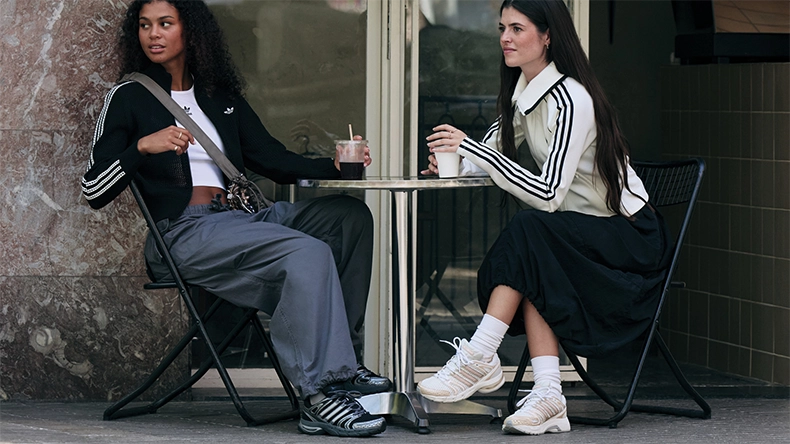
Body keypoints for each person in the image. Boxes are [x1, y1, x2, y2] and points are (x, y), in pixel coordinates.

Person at [80, 0, 390, 437]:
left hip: (248, 217)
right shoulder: (129, 97)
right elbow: (93, 188)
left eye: (165, 24)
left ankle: (344, 363)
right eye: (146, 26)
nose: (153, 34)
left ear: (191, 31)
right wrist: (142, 148)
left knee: (349, 217)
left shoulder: (219, 96)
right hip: (188, 230)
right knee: (306, 251)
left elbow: (272, 159)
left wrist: (333, 167)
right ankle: (321, 394)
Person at [418, 0, 670, 436]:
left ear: (548, 35)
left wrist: (469, 148)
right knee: (537, 245)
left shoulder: (572, 97)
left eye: (517, 28)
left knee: (534, 230)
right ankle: (549, 394)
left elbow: (550, 194)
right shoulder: (522, 94)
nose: (505, 38)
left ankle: (480, 355)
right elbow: (492, 152)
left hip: (628, 241)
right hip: (580, 235)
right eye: (502, 28)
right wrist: (456, 162)